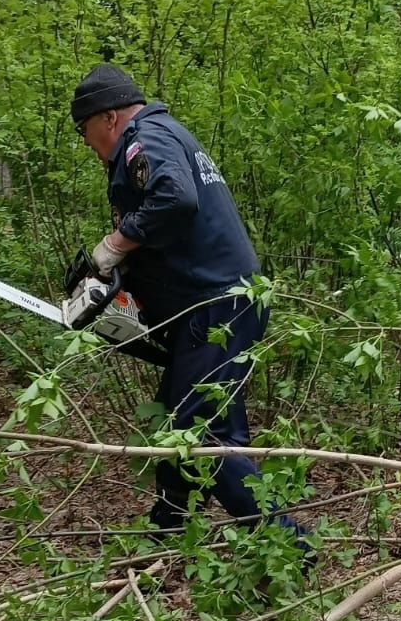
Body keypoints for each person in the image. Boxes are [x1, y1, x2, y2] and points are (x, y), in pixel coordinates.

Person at [70, 61, 301, 540]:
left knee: (199, 433)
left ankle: (286, 544)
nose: (87, 144)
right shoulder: (164, 133)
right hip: (221, 300)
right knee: (182, 417)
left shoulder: (144, 138)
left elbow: (175, 199)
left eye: (85, 130)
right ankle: (169, 527)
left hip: (215, 306)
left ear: (108, 117)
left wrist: (116, 244)